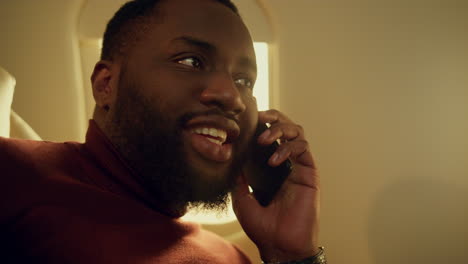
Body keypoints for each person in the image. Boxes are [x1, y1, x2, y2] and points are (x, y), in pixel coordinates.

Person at [0, 0, 325, 263]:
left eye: (244, 81)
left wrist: (293, 257)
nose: (232, 97)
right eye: (190, 62)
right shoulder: (13, 174)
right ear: (106, 85)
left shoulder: (232, 258)